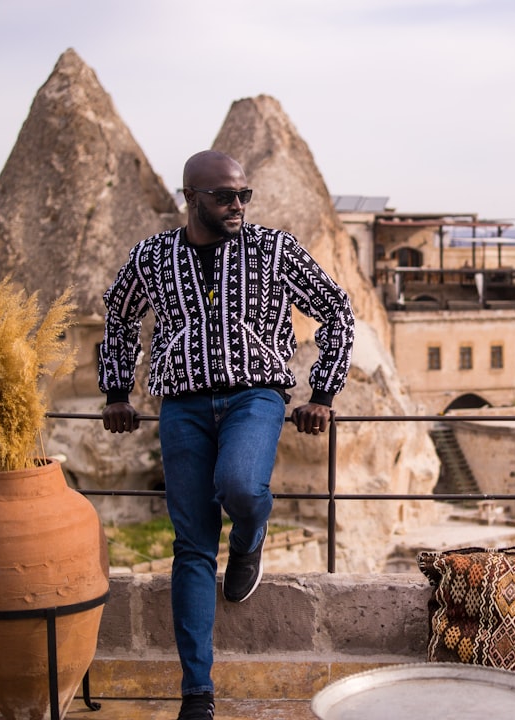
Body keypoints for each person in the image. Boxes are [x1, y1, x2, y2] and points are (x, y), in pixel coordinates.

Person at [97, 150, 355, 720]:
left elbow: (337, 310)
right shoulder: (153, 257)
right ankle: (197, 693)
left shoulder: (274, 250)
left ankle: (248, 542)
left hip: (254, 396)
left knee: (241, 486)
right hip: (181, 406)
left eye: (243, 195)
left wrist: (323, 395)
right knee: (190, 547)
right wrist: (117, 392)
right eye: (223, 196)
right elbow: (118, 315)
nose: (237, 205)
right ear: (190, 199)